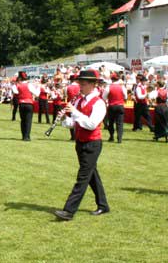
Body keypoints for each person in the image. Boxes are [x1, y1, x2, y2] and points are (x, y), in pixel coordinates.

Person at [54, 69, 110, 221]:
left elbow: (91, 124)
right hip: (80, 142)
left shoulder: (99, 103)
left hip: (93, 143)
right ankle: (103, 205)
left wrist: (75, 113)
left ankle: (69, 210)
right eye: (80, 83)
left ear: (93, 85)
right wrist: (65, 118)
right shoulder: (79, 100)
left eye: (83, 84)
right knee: (92, 175)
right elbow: (73, 123)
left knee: (83, 177)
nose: (80, 87)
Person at [12, 71, 39, 141]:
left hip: (21, 103)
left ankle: (24, 135)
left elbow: (15, 92)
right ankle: (27, 136)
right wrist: (38, 87)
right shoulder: (29, 85)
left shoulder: (17, 85)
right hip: (29, 103)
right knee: (28, 121)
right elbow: (37, 94)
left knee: (23, 120)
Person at [103, 73, 126, 143]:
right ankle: (119, 138)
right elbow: (125, 97)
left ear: (111, 79)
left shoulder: (108, 87)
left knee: (111, 122)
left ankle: (111, 136)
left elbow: (104, 97)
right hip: (120, 105)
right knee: (120, 123)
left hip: (112, 106)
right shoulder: (122, 87)